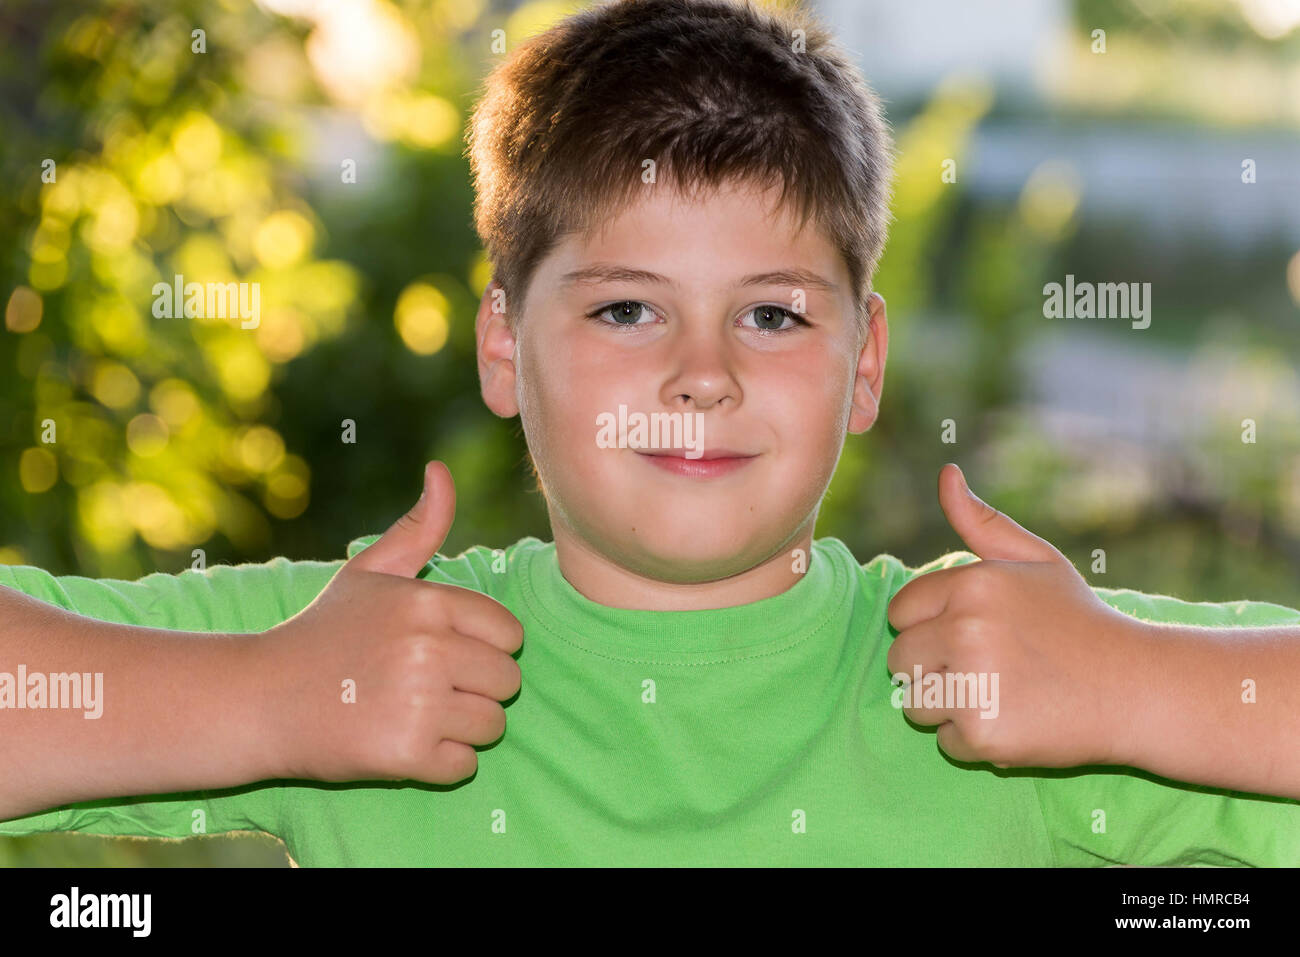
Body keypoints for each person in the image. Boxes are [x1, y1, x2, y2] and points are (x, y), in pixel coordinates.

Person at [3, 0, 1299, 866]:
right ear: (503, 345)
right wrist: (267, 698)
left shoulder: (1003, 679)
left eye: (776, 317)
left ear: (868, 365)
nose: (700, 374)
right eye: (628, 307)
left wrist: (1134, 684)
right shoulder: (367, 643)